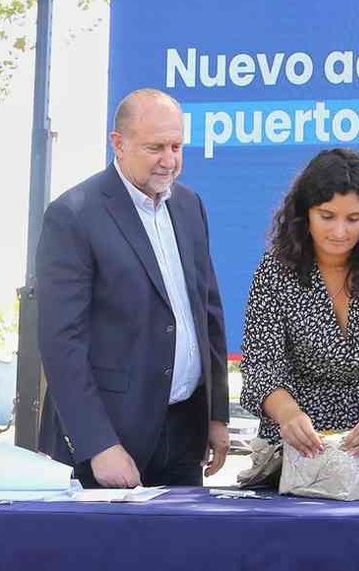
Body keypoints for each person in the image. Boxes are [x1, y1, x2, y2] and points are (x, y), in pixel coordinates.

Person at [35, 88, 230, 488]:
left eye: (176, 146)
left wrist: (216, 415)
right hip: (109, 445)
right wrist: (98, 444)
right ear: (119, 144)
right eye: (155, 147)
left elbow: (207, 314)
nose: (169, 160)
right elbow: (61, 342)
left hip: (185, 437)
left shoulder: (190, 207)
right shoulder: (73, 215)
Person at [239, 148, 359, 464]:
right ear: (305, 213)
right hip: (300, 444)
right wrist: (287, 413)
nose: (340, 232)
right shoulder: (275, 270)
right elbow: (261, 363)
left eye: (354, 219)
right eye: (327, 216)